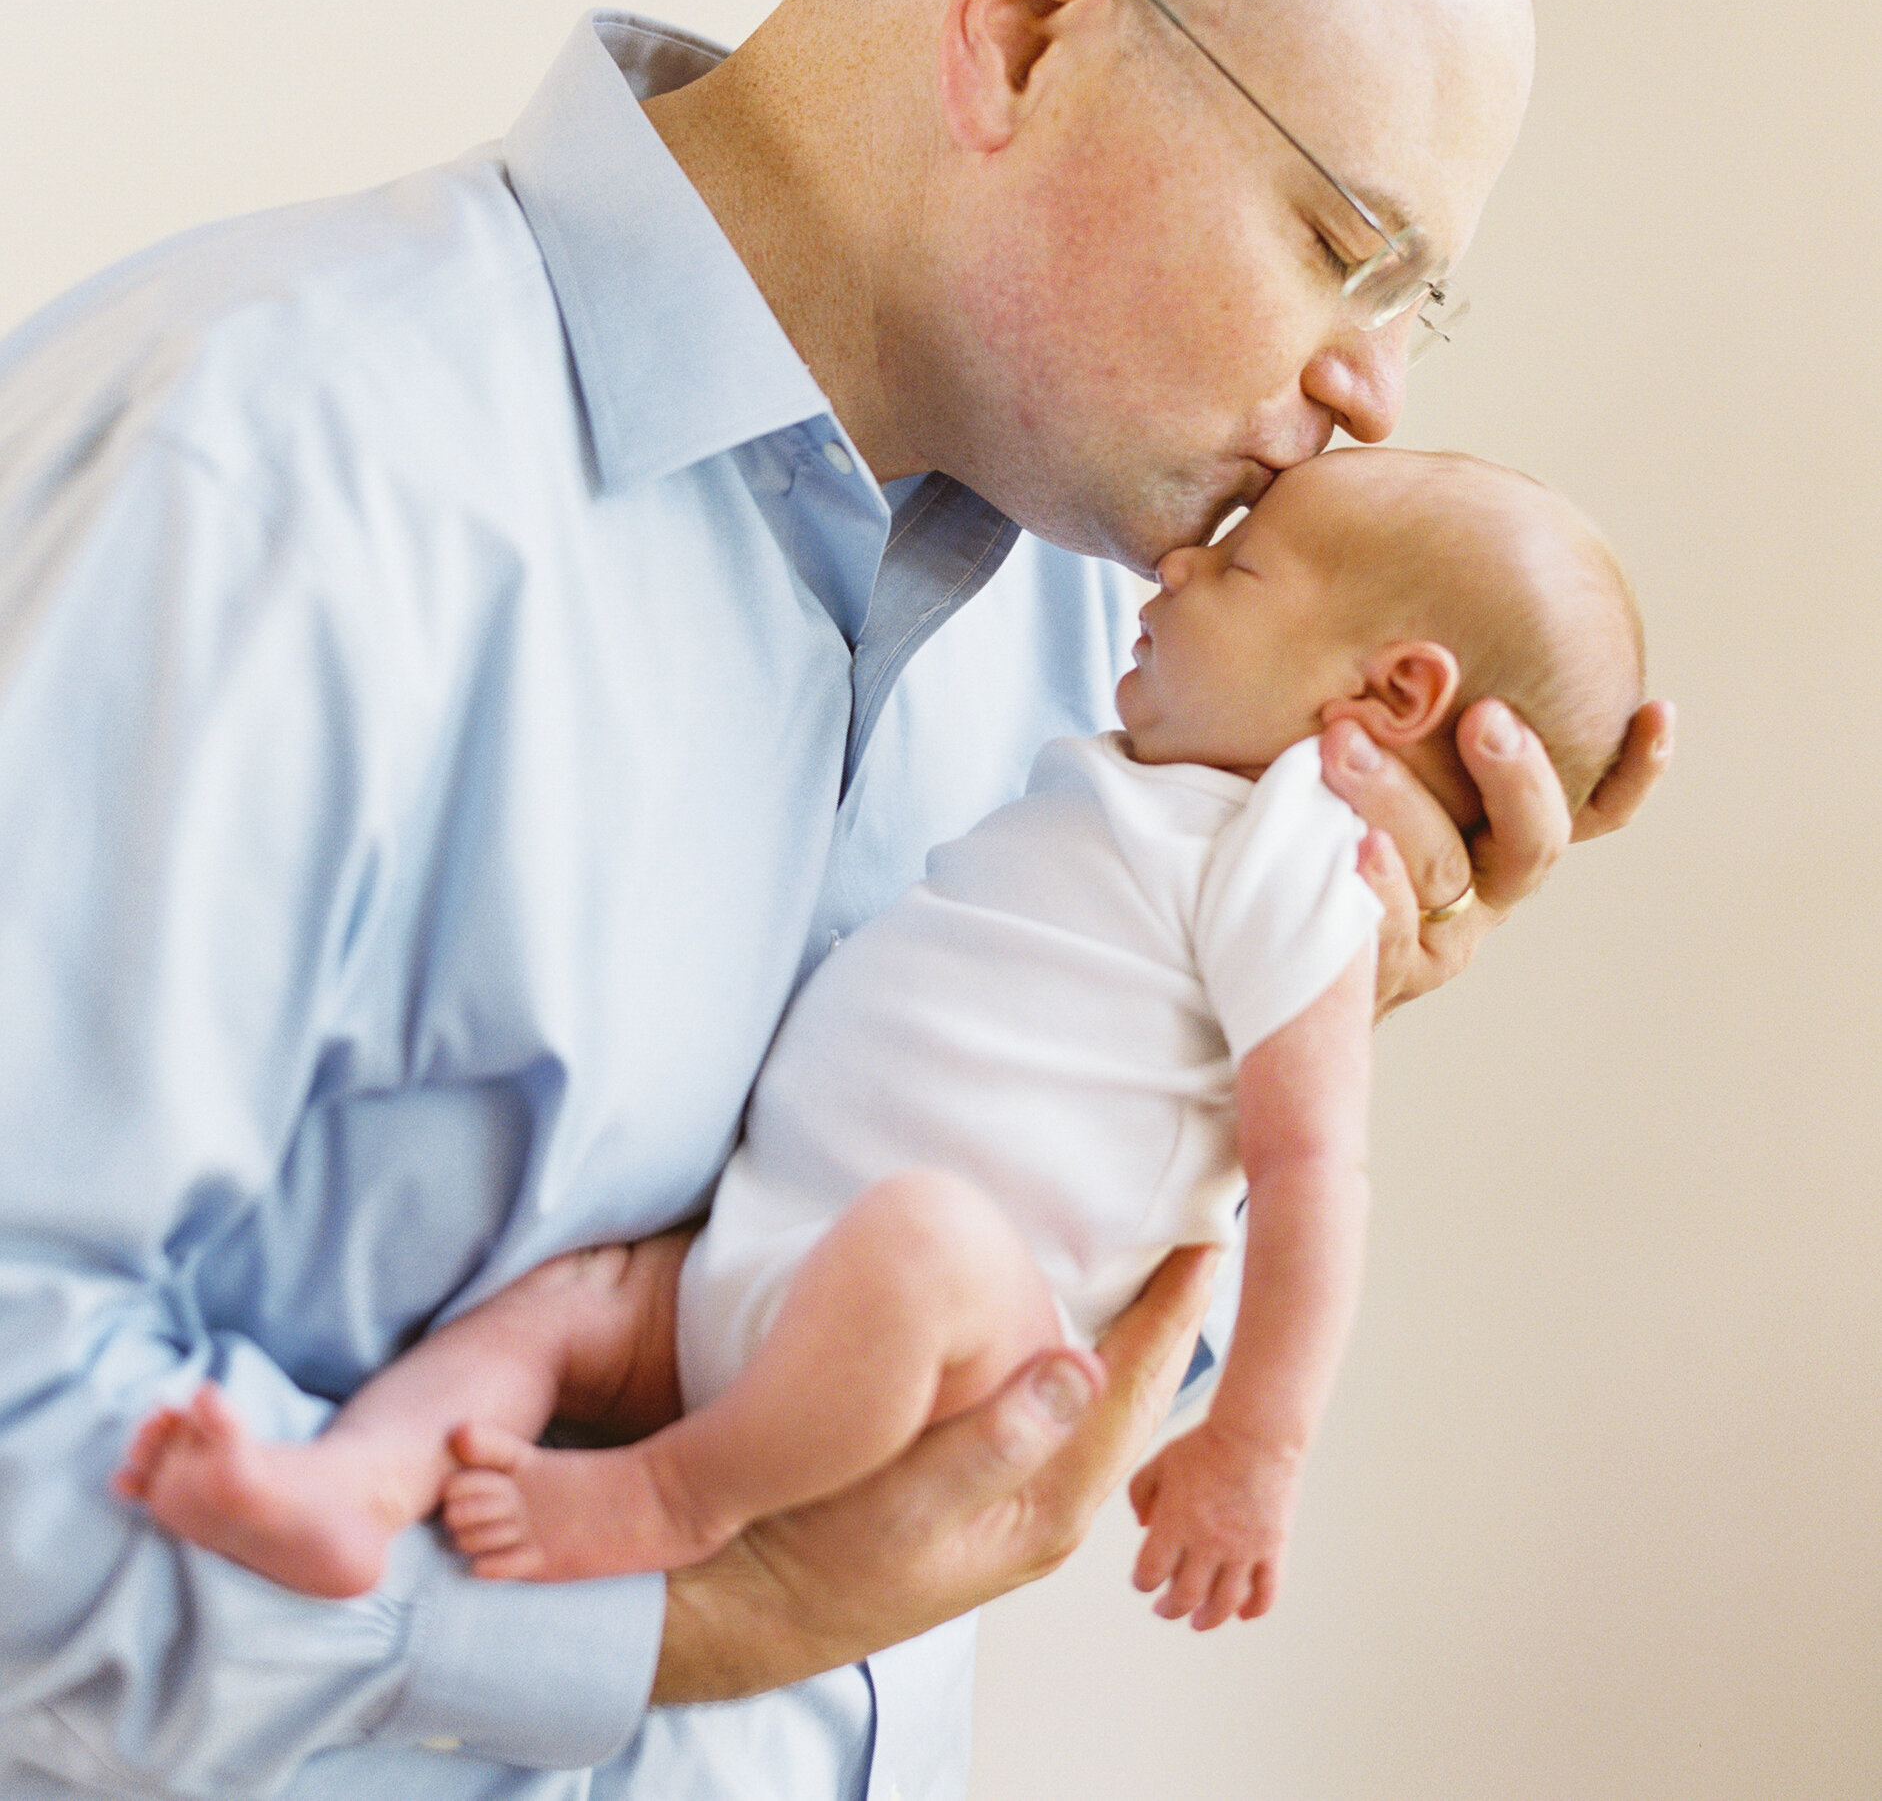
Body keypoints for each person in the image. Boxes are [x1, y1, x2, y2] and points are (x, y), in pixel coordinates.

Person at [0, 0, 1670, 1801]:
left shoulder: (1153, 650)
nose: (1370, 395)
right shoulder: (246, 474)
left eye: (1410, 309)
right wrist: (697, 1622)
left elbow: (1018, 1416)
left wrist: (1293, 1015)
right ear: (1028, 27)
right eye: (1344, 248)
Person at [115, 446, 1645, 1638]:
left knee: (915, 1241)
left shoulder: (1301, 857)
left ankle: (667, 1496)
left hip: (952, 1326)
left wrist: (1256, 1435)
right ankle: (347, 1489)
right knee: (565, 1307)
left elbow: (1316, 1169)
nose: (1178, 562)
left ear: (1390, 691)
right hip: (766, 1265)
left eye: (1241, 569)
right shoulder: (1147, 785)